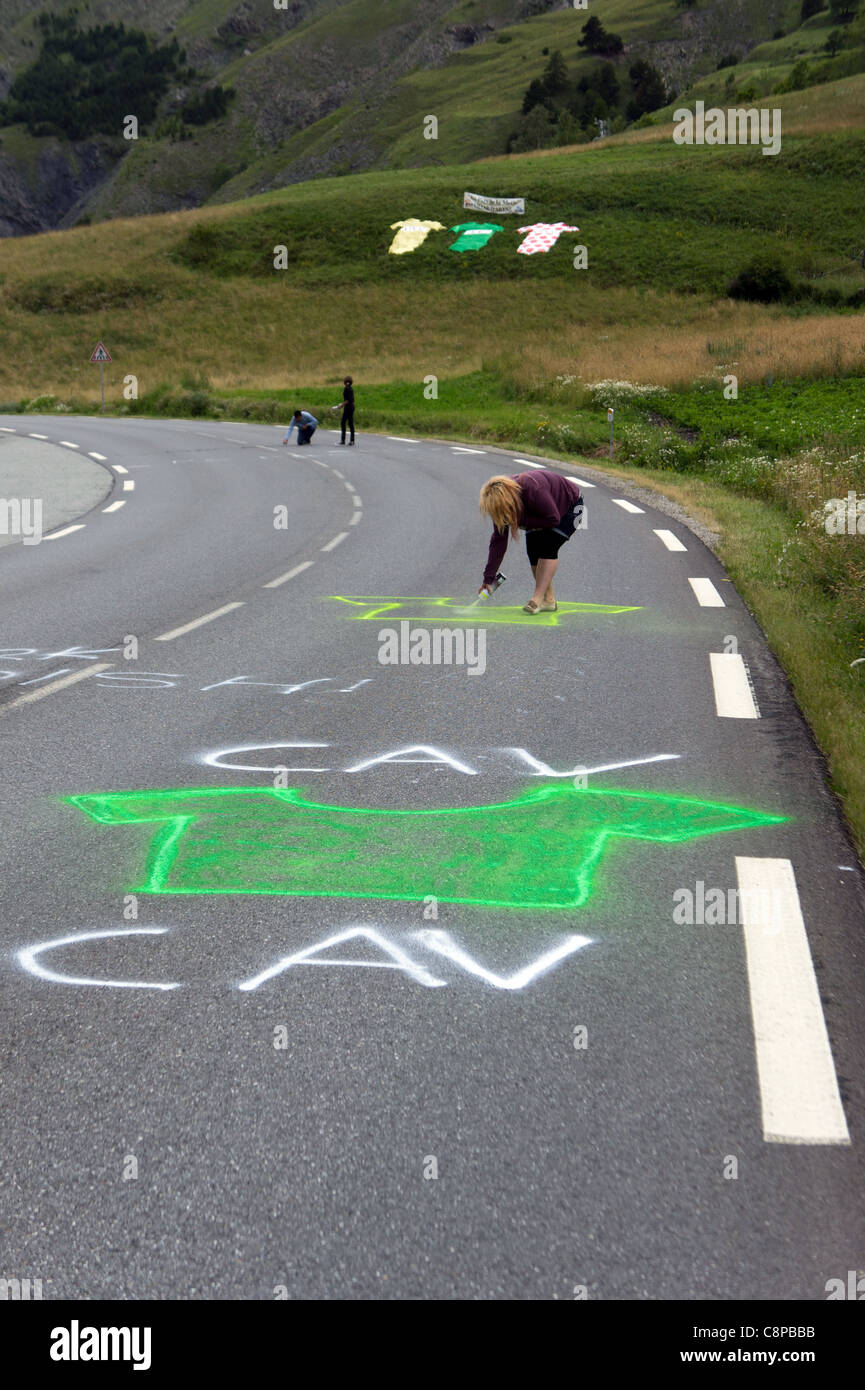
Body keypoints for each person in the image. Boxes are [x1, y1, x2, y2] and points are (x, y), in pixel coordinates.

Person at [479, 470, 583, 614]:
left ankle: (537, 599)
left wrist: (520, 521)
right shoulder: (498, 503)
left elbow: (553, 519)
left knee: (548, 546)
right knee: (533, 551)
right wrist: (488, 578)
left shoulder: (532, 487)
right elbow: (498, 542)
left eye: (507, 511)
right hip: (538, 512)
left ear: (509, 500)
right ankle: (549, 600)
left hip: (569, 507)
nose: (505, 516)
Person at [334, 376, 355, 445]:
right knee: (350, 423)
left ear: (345, 381)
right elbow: (351, 400)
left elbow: (348, 400)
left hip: (348, 407)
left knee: (343, 423)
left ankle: (343, 440)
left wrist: (341, 405)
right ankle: (352, 440)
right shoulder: (351, 388)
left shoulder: (346, 388)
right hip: (351, 407)